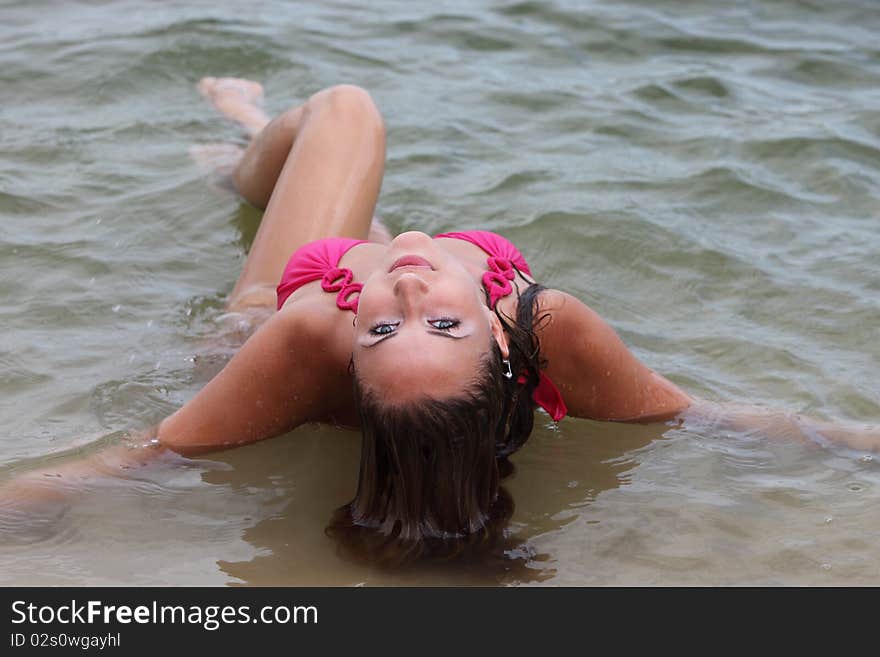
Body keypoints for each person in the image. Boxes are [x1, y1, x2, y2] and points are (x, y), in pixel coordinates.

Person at [2, 78, 878, 564]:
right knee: (387, 231)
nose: (412, 300)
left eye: (384, 331)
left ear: (352, 355)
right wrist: (855, 442)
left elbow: (139, 459)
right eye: (442, 328)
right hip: (360, 285)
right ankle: (241, 142)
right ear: (502, 340)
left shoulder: (315, 336)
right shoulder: (547, 323)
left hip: (270, 315)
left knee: (346, 113)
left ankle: (241, 146)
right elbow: (701, 419)